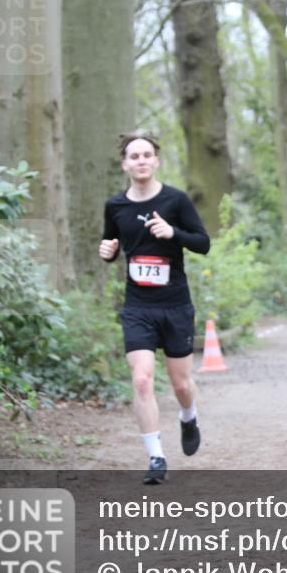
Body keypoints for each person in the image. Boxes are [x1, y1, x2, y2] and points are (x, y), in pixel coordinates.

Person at [99, 132, 211, 484]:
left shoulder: (175, 200)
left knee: (181, 384)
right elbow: (111, 244)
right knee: (142, 379)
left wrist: (172, 233)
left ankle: (188, 416)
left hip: (175, 305)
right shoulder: (115, 206)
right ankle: (156, 457)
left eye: (147, 155)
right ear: (125, 164)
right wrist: (108, 252)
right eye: (134, 156)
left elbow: (203, 243)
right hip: (138, 307)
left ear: (156, 160)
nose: (141, 161)